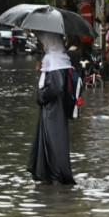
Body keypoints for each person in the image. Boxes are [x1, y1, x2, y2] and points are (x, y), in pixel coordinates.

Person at [27, 32, 76, 186]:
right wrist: (42, 71)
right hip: (53, 108)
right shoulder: (55, 59)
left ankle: (56, 177)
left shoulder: (54, 59)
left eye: (41, 41)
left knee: (52, 142)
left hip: (52, 109)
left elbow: (56, 86)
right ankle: (49, 175)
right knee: (49, 140)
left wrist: (41, 96)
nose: (39, 44)